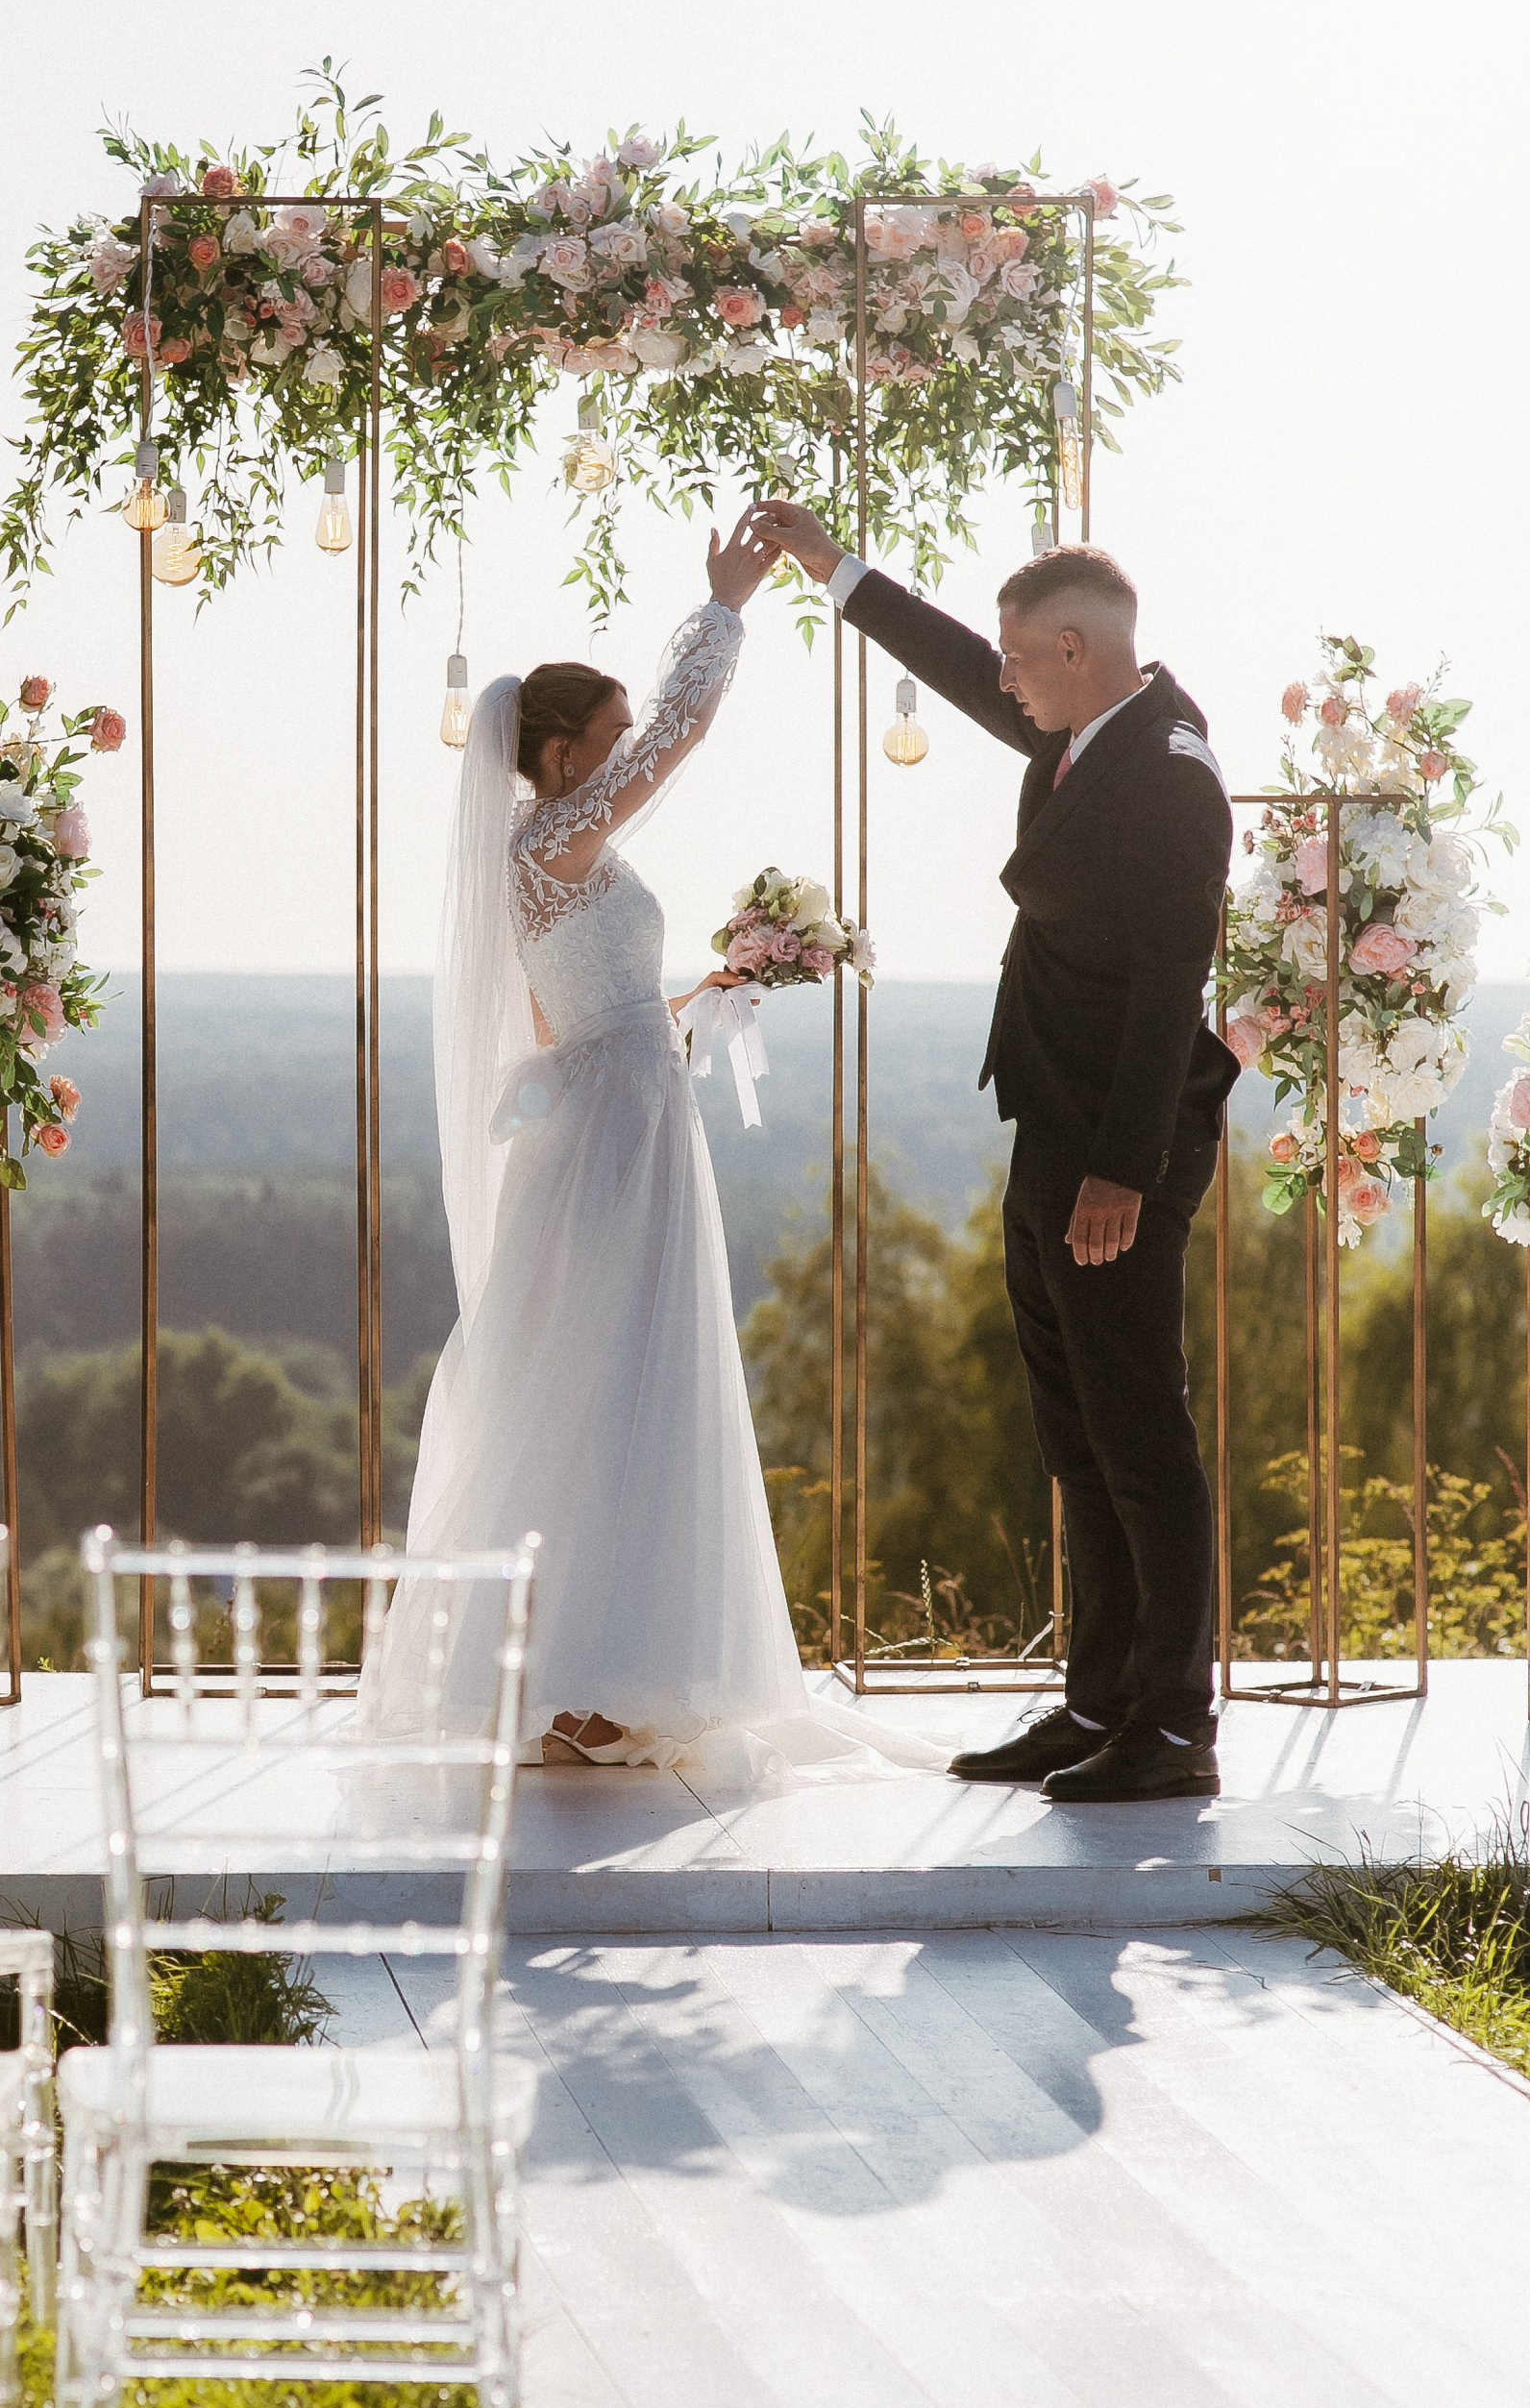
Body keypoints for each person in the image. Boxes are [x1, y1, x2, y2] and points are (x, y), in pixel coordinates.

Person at [373, 508, 927, 1787]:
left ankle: (597, 1674)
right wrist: (723, 609)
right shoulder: (548, 839)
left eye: (625, 737)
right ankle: (585, 1680)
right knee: (611, 1377)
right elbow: (683, 735)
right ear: (557, 753)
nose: (630, 755)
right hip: (617, 1127)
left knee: (617, 1378)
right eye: (610, 738)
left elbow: (562, 1015)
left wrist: (700, 996)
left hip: (618, 1101)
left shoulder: (554, 857)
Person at [754, 504, 1237, 1803]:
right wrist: (834, 571)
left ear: (1076, 649)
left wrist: (1122, 1173)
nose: (1006, 679)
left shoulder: (1172, 774)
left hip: (1119, 1151)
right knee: (1078, 1435)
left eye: (1025, 657)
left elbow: (1170, 991)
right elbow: (969, 669)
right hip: (1051, 1126)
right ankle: (1097, 1702)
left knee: (1141, 1433)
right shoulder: (1089, 729)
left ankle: (1173, 1726)